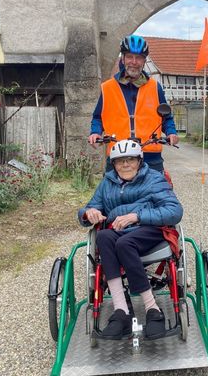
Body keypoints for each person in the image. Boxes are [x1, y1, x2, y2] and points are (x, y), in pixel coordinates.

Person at [78, 139, 183, 340]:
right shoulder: (107, 183)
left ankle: (153, 310)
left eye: (130, 160)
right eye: (119, 161)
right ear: (113, 164)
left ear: (140, 161)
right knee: (104, 236)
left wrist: (137, 216)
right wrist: (88, 213)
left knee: (123, 243)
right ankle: (121, 311)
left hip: (149, 230)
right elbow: (90, 207)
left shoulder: (153, 179)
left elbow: (174, 211)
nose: (125, 165)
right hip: (118, 233)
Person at [88, 34, 179, 173]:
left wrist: (171, 133)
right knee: (109, 193)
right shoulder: (107, 88)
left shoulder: (155, 87)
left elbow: (166, 117)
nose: (134, 62)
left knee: (161, 192)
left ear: (144, 61)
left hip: (150, 156)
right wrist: (95, 132)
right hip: (118, 154)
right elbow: (98, 117)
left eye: (139, 58)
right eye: (130, 56)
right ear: (123, 59)